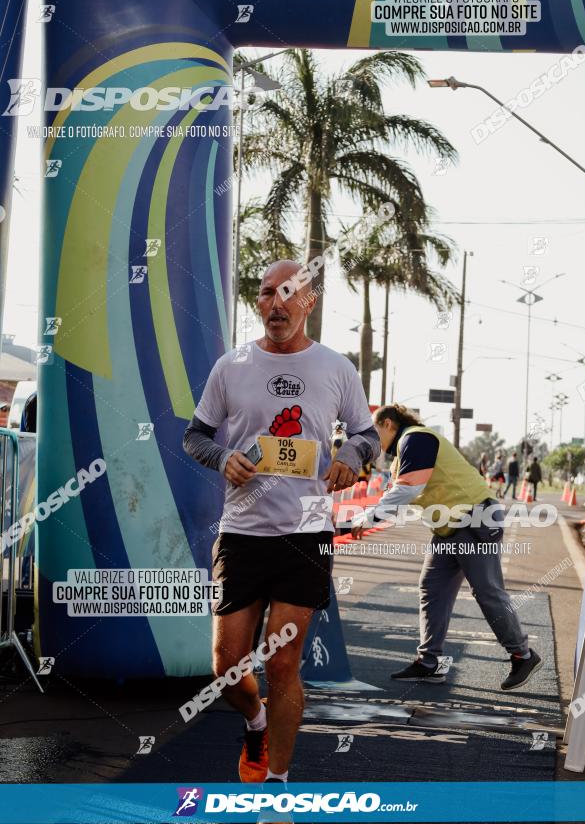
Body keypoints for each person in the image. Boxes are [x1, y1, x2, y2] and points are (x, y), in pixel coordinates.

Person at [183, 259, 380, 785]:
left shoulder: (336, 368)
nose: (276, 303)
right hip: (243, 531)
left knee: (284, 662)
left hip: (307, 531)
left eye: (288, 293)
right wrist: (222, 458)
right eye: (267, 292)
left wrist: (351, 459)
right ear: (258, 303)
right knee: (227, 667)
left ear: (308, 302)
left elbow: (367, 436)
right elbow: (195, 435)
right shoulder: (232, 366)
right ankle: (256, 720)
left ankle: (277, 785)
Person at [356, 405, 542, 692]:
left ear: (388, 424)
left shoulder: (415, 438)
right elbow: (407, 490)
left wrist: (368, 518)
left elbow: (408, 489)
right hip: (448, 527)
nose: (371, 436)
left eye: (374, 429)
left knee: (488, 592)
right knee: (432, 588)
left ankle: (523, 655)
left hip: (473, 518)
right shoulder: (406, 448)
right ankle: (429, 663)